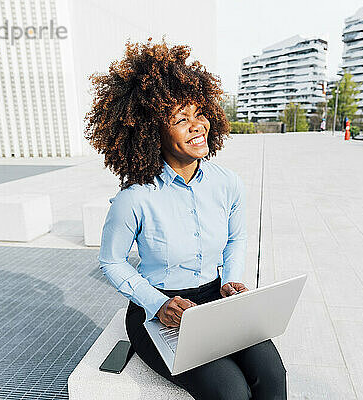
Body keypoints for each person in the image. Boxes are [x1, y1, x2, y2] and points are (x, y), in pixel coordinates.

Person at [85, 38, 287, 400]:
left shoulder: (227, 183)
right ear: (152, 132)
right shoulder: (135, 197)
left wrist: (233, 281)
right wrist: (157, 302)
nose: (197, 126)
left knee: (272, 376)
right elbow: (111, 261)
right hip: (158, 309)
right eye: (181, 119)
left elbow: (235, 240)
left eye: (199, 114)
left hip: (216, 299)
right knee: (230, 391)